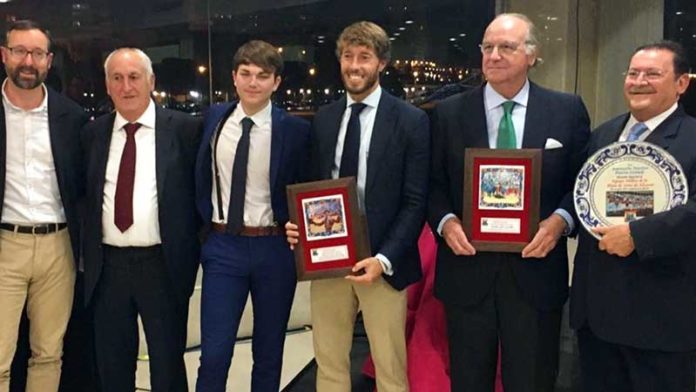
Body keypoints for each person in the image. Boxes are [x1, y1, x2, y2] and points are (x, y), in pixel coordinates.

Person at [427, 13, 590, 392]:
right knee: (467, 381)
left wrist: (561, 221)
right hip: (467, 272)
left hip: (535, 273)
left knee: (533, 380)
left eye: (507, 47)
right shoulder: (449, 113)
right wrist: (447, 222)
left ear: (532, 55)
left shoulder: (566, 110)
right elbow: (432, 186)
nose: (494, 55)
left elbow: (581, 182)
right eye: (488, 47)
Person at [286, 21, 430, 392]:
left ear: (381, 63)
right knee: (329, 364)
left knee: (390, 370)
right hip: (329, 262)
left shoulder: (411, 121)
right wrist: (298, 227)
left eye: (364, 57)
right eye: (348, 56)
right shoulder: (325, 119)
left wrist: (383, 259)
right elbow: (313, 191)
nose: (354, 65)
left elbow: (415, 202)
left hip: (384, 264)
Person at [570, 40, 696, 392]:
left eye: (653, 74)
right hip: (595, 317)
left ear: (681, 83)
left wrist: (638, 236)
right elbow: (580, 196)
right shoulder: (602, 136)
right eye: (633, 73)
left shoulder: (693, 139)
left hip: (660, 319)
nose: (639, 81)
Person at [81, 47, 201, 392]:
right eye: (117, 78)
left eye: (134, 77)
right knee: (113, 364)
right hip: (108, 267)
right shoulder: (93, 134)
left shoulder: (184, 130)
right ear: (107, 85)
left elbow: (200, 198)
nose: (126, 86)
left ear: (151, 82)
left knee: (167, 364)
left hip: (161, 266)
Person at [194, 40, 310, 392]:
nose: (253, 82)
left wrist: (300, 223)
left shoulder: (295, 130)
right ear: (234, 77)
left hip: (274, 249)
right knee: (213, 353)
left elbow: (311, 186)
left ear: (276, 82)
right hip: (222, 247)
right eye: (246, 73)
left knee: (269, 351)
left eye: (263, 75)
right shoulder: (214, 120)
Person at [0, 19, 88, 392]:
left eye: (37, 53)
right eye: (20, 51)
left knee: (49, 354)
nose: (28, 61)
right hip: (5, 248)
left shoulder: (72, 118)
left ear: (49, 61)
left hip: (58, 249)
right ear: (4, 55)